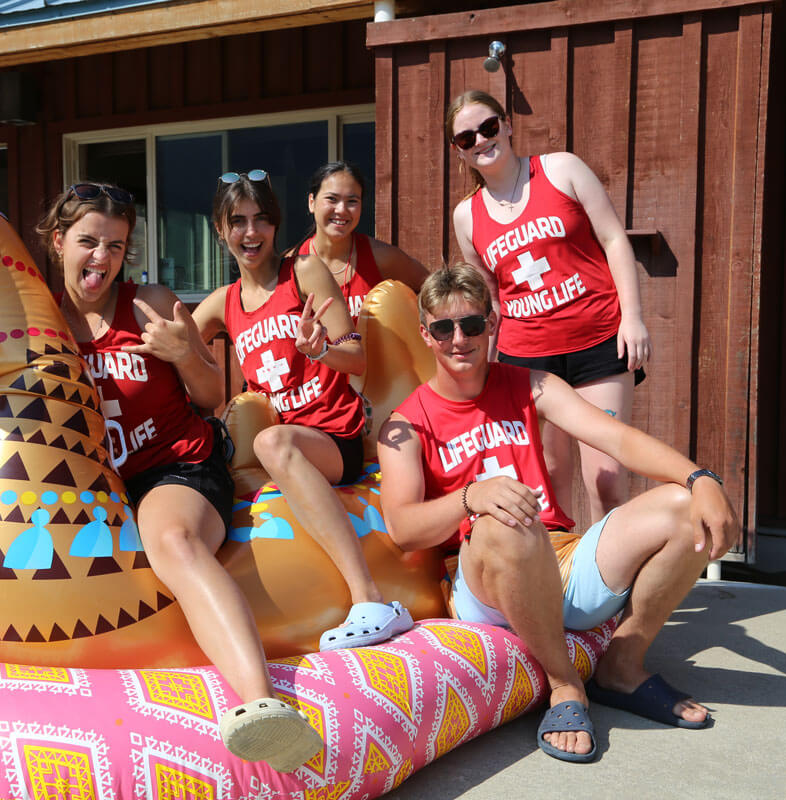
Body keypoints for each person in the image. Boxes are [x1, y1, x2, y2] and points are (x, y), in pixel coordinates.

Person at [0, 182, 322, 773]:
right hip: (86, 491)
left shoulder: (151, 301)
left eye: (115, 246)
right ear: (58, 241)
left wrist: (181, 351)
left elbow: (213, 393)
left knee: (172, 541)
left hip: (174, 466)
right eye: (88, 242)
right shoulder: (32, 318)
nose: (101, 258)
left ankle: (261, 705)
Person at [377, 264, 739, 763]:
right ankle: (565, 684)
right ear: (426, 335)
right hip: (484, 580)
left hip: (560, 556)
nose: (459, 339)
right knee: (503, 521)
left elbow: (614, 438)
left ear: (493, 324)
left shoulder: (532, 384)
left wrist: (701, 480)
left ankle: (622, 665)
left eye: (472, 325)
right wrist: (470, 498)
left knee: (682, 507)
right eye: (444, 328)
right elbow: (401, 528)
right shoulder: (407, 421)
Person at [192, 169, 414, 652]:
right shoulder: (222, 304)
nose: (251, 233)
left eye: (262, 220)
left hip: (334, 439)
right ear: (219, 228)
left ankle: (371, 600)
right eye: (238, 221)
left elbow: (356, 355)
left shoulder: (305, 272)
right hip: (288, 452)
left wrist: (320, 351)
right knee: (260, 444)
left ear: (275, 226)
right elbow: (178, 346)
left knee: (269, 440)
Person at [447, 89, 651, 522]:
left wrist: (632, 317)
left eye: (488, 127)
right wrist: (483, 363)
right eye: (467, 138)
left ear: (507, 124)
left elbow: (614, 238)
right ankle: (558, 581)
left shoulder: (561, 169)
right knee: (550, 479)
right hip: (530, 359)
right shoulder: (466, 216)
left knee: (607, 479)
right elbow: (489, 299)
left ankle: (608, 585)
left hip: (599, 342)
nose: (481, 140)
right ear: (459, 152)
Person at [294, 161, 429, 321]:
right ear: (312, 202)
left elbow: (431, 288)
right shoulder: (289, 266)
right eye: (332, 199)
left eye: (352, 201)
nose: (341, 210)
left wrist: (410, 328)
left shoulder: (382, 257)